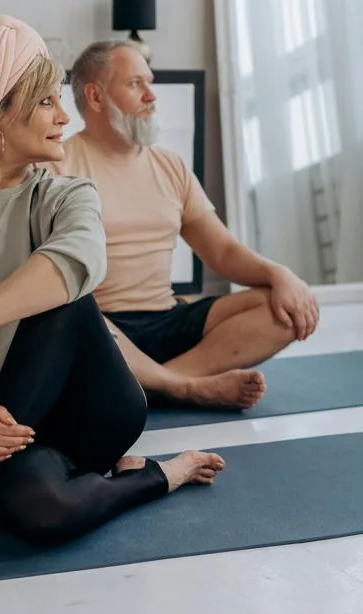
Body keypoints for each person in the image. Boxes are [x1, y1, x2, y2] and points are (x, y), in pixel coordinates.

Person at [0, 17, 225, 580]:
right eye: (48, 102)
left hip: (89, 414)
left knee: (63, 296)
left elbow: (80, 260)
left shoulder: (66, 195)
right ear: (0, 116)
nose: (65, 117)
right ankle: (160, 475)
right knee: (45, 512)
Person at [46, 41, 320, 410]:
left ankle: (155, 385)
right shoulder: (56, 168)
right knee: (64, 316)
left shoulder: (170, 166)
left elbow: (221, 251)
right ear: (95, 97)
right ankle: (184, 386)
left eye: (149, 82)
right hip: (100, 326)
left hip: (167, 317)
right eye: (135, 84)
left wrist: (279, 274)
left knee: (282, 311)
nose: (150, 95)